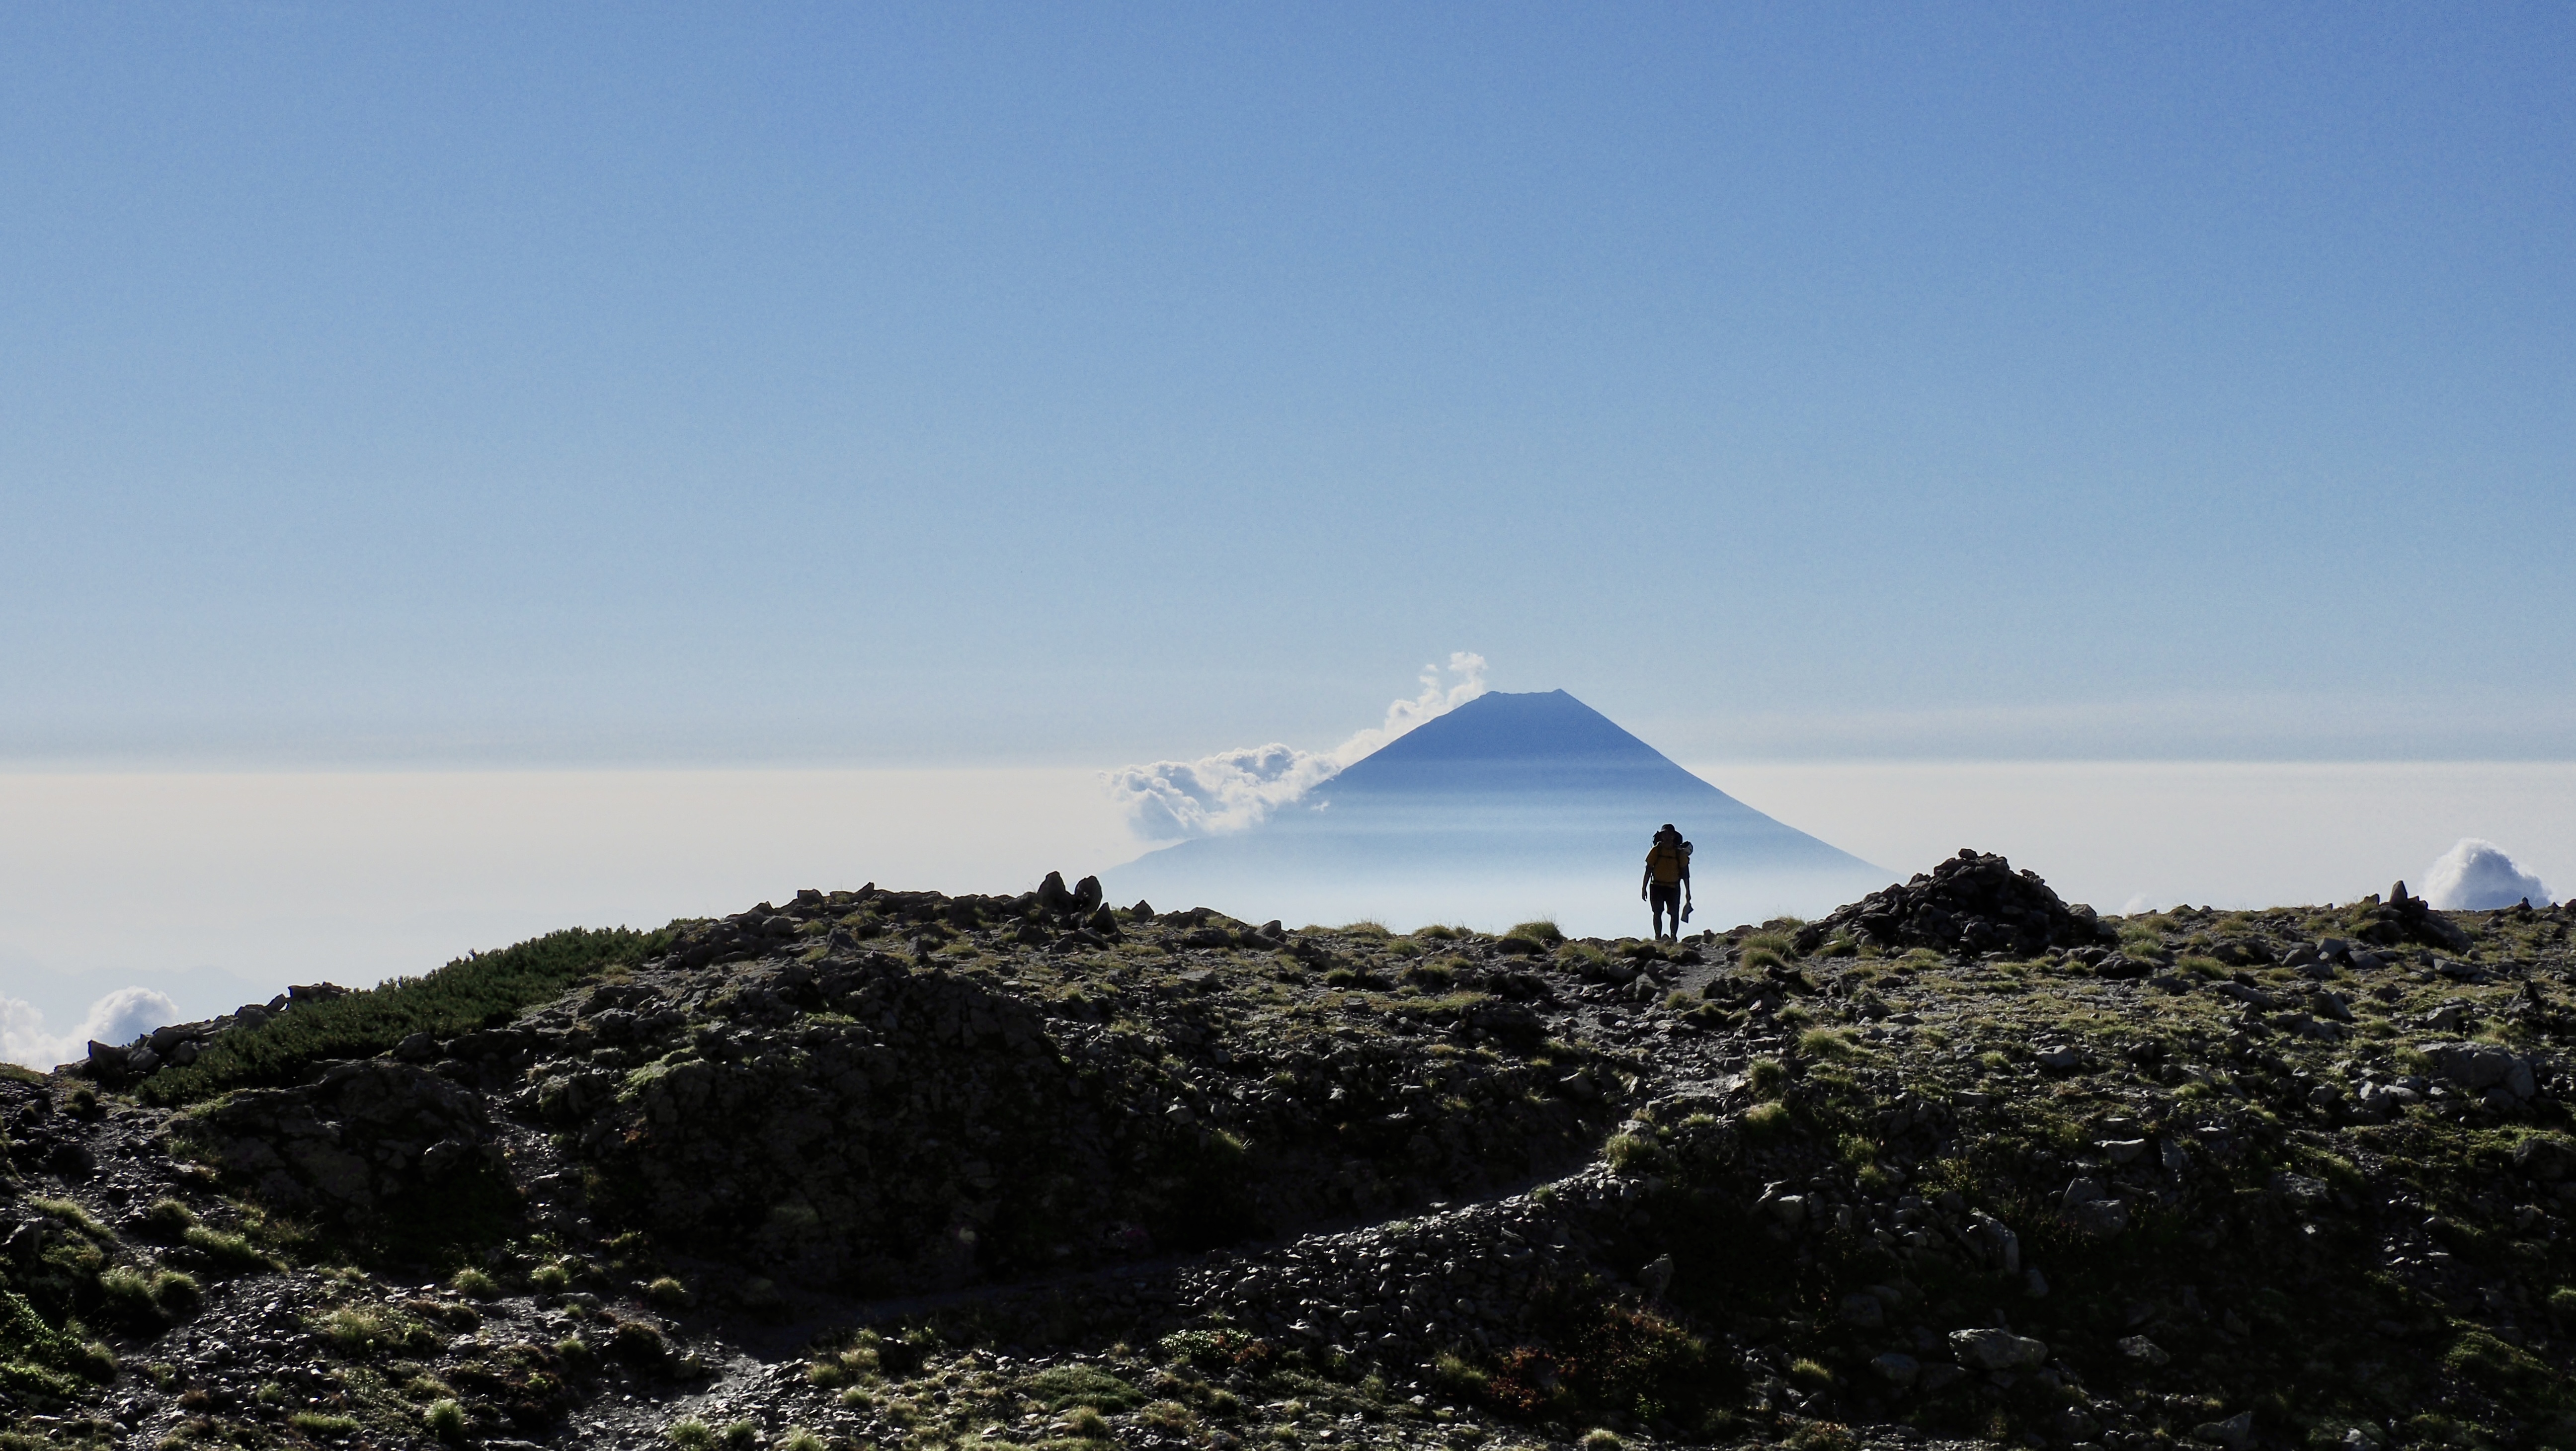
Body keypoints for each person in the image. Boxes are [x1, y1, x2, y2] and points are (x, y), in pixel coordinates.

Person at [1641, 823, 1692, 942]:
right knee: (1657, 912)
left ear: (1674, 836)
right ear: (1662, 836)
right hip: (1657, 887)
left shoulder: (1679, 853)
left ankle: (1673, 938)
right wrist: (1643, 888)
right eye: (1665, 834)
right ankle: (1658, 938)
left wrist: (1688, 893)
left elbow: (1685, 874)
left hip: (1673, 887)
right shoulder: (1656, 850)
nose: (1668, 836)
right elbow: (1648, 869)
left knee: (1674, 914)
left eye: (1670, 834)